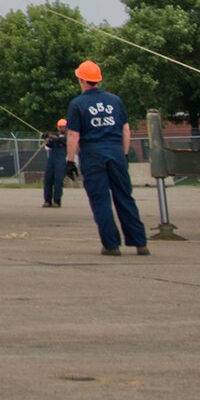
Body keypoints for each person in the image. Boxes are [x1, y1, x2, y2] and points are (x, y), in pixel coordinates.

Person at [64, 60, 148, 256]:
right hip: (115, 151)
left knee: (100, 199)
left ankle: (111, 245)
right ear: (98, 79)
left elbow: (73, 135)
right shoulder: (115, 100)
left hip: (93, 153)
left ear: (81, 80)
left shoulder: (77, 104)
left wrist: (69, 161)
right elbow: (126, 129)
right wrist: (124, 154)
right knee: (124, 197)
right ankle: (140, 242)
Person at [41, 119, 68, 208]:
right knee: (47, 180)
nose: (62, 128)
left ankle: (57, 201)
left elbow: (59, 140)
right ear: (58, 127)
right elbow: (49, 144)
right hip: (51, 160)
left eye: (63, 127)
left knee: (58, 180)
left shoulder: (68, 137)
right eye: (60, 127)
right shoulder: (55, 136)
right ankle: (47, 201)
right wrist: (45, 138)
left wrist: (50, 136)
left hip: (60, 160)